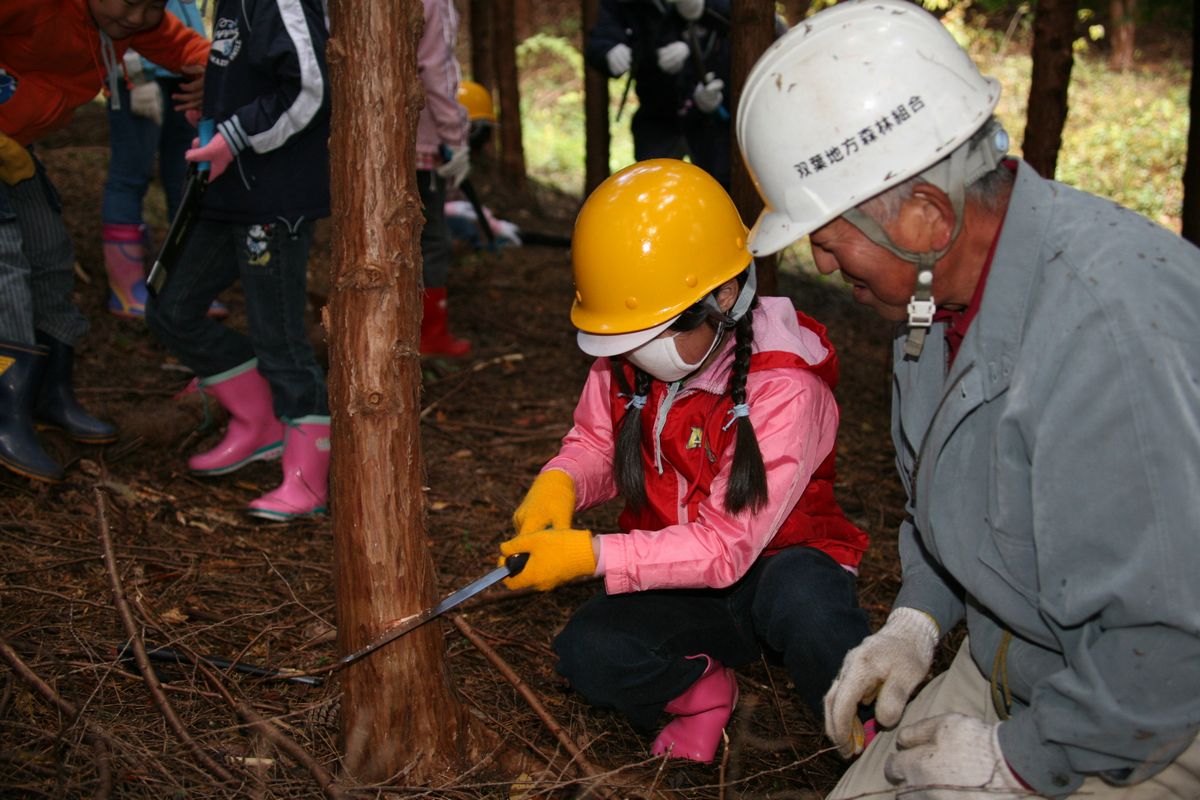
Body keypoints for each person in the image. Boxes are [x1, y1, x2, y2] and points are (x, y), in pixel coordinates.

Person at [735, 1, 1200, 797]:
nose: (818, 256)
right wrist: (918, 617)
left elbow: (1165, 645)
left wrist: (1019, 764)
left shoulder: (1108, 338)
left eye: (828, 233)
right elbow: (952, 505)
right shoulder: (936, 306)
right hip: (1016, 663)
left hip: (1150, 715)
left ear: (924, 216)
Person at [496, 159, 872, 764]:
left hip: (775, 568)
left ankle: (870, 729)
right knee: (588, 653)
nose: (634, 354)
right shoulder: (624, 361)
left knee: (810, 610)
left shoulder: (786, 388)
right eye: (623, 338)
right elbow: (595, 442)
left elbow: (726, 547)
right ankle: (698, 690)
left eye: (651, 333)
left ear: (724, 296)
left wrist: (591, 555)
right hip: (675, 569)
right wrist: (559, 483)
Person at [0, 0, 208, 483]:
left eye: (151, 5)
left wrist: (216, 74)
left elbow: (190, 48)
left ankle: (49, 392)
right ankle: (5, 412)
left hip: (14, 150)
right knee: (6, 260)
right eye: (129, 1)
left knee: (50, 252)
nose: (137, 17)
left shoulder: (121, 21)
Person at [144, 0, 331, 521]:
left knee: (280, 336)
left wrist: (233, 133)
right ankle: (258, 423)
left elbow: (310, 87)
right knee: (170, 307)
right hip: (223, 193)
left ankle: (308, 475)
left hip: (273, 197)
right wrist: (215, 107)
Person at [101, 0, 228, 320]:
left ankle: (181, 281)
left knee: (184, 173)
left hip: (183, 68)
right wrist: (133, 71)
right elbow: (119, 16)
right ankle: (125, 287)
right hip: (136, 71)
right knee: (132, 171)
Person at [585, 0, 734, 189]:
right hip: (658, 112)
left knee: (721, 188)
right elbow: (601, 37)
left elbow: (749, 22)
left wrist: (705, 8)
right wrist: (608, 51)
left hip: (715, 118)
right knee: (653, 187)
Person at [415, 0, 473, 357]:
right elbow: (436, 69)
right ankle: (429, 335)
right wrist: (454, 137)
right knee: (430, 239)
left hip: (386, 137)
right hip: (421, 140)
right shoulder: (435, 3)